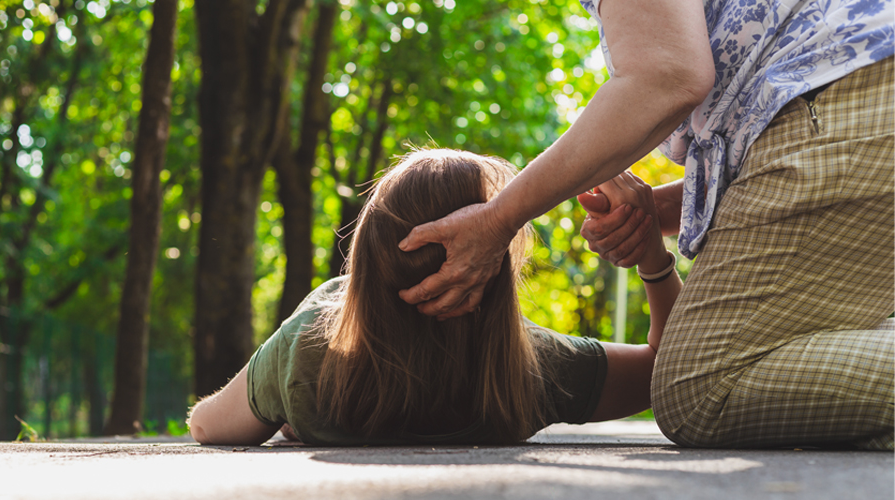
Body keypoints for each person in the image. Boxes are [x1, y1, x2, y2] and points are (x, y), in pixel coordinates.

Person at [395, 0, 893, 449]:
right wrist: (648, 218)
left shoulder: (319, 348)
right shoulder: (534, 368)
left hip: (850, 94)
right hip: (858, 90)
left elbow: (666, 75)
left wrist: (499, 217)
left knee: (699, 391)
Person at [187, 149, 680, 446]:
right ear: (493, 270)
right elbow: (669, 371)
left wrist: (291, 396)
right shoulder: (532, 368)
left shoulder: (308, 352)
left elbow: (207, 427)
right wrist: (653, 260)